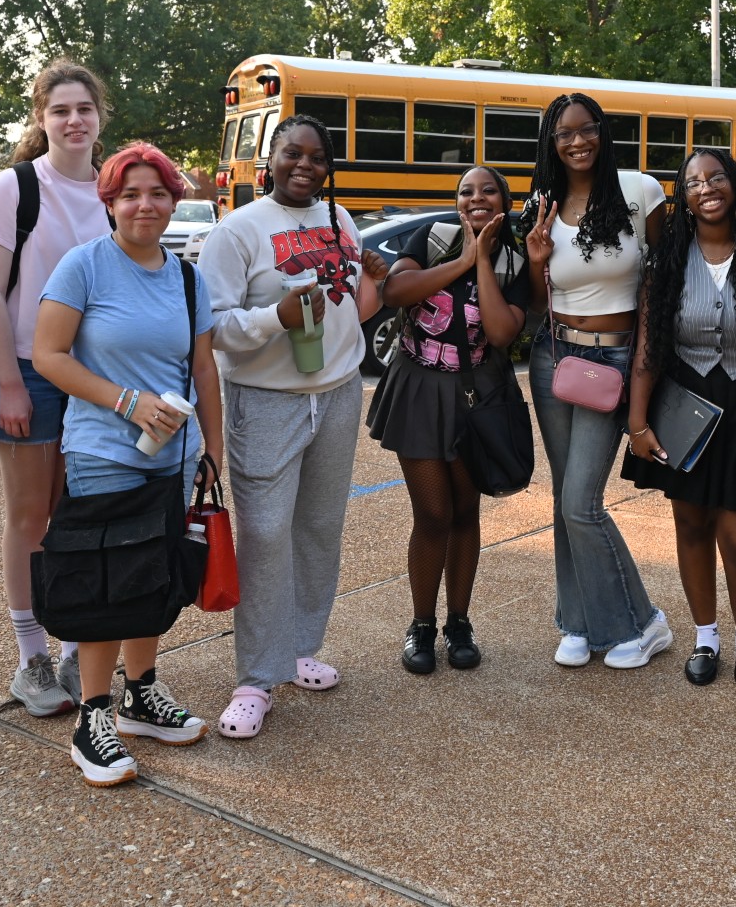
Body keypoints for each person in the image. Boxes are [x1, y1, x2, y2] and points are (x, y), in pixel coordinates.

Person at [34, 142, 221, 787]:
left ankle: (142, 693)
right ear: (109, 202)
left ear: (175, 201)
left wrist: (212, 452)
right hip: (102, 452)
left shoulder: (189, 277)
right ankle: (94, 717)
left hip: (171, 457)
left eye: (158, 193)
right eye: (131, 194)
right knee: (105, 582)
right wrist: (126, 402)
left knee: (152, 576)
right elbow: (48, 355)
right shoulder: (83, 266)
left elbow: (202, 370)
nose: (146, 205)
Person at [202, 115, 388, 738]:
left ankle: (300, 646)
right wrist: (274, 318)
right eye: (291, 154)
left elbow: (350, 310)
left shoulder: (340, 223)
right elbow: (216, 328)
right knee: (265, 533)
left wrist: (378, 291)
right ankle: (256, 677)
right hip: (266, 400)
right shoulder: (237, 231)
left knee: (316, 529)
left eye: (316, 157)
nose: (303, 165)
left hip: (336, 393)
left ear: (328, 168)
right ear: (270, 159)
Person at [624, 148, 736, 688]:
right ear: (684, 195)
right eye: (694, 181)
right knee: (692, 524)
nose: (706, 188)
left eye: (716, 177)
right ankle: (706, 636)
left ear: (733, 184)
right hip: (685, 402)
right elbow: (649, 345)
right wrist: (636, 424)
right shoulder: (667, 259)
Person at [0, 61, 112, 717]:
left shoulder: (115, 191)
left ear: (99, 115)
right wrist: (8, 383)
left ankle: (73, 644)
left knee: (80, 515)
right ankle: (31, 654)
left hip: (95, 376)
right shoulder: (16, 187)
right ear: (41, 118)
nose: (73, 120)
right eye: (60, 110)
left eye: (83, 108)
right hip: (31, 371)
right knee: (31, 516)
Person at [523, 93, 672, 670]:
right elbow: (539, 306)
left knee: (582, 501)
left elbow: (659, 289)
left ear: (603, 133)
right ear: (551, 143)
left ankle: (641, 622)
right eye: (564, 134)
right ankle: (577, 621)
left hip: (613, 360)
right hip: (554, 357)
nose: (576, 142)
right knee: (565, 499)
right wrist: (537, 260)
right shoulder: (544, 204)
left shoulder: (642, 192)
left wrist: (646, 376)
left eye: (586, 131)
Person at [368, 166, 529, 674]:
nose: (475, 198)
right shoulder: (433, 235)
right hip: (419, 389)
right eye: (466, 191)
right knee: (433, 513)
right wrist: (463, 255)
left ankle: (459, 621)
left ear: (504, 200)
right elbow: (396, 292)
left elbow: (502, 333)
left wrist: (483, 260)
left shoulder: (518, 258)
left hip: (476, 395)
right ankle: (421, 625)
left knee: (465, 514)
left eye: (488, 191)